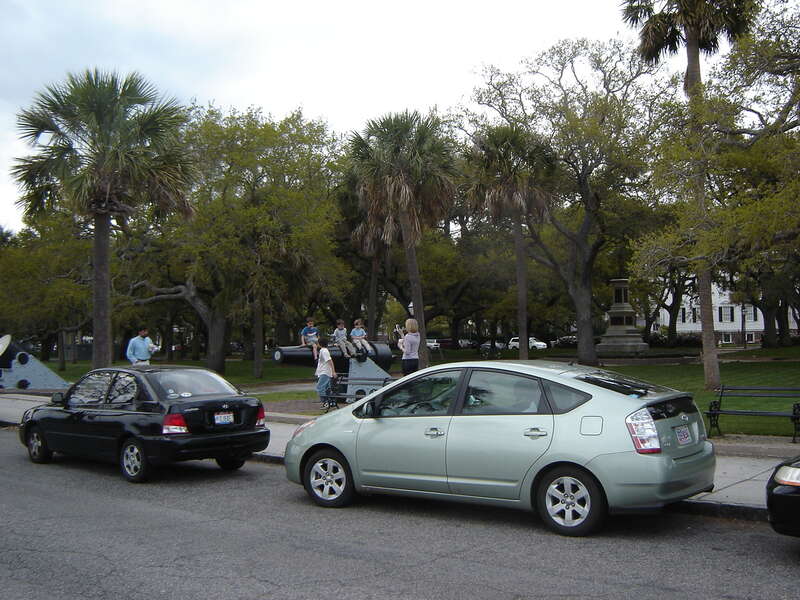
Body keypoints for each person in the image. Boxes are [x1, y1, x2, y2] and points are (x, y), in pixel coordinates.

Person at [315, 337, 338, 410]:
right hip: (323, 372)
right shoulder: (323, 350)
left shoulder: (324, 351)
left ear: (319, 344)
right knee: (326, 388)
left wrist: (333, 371)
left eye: (317, 343)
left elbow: (330, 361)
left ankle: (326, 403)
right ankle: (331, 402)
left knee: (319, 387)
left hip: (325, 372)